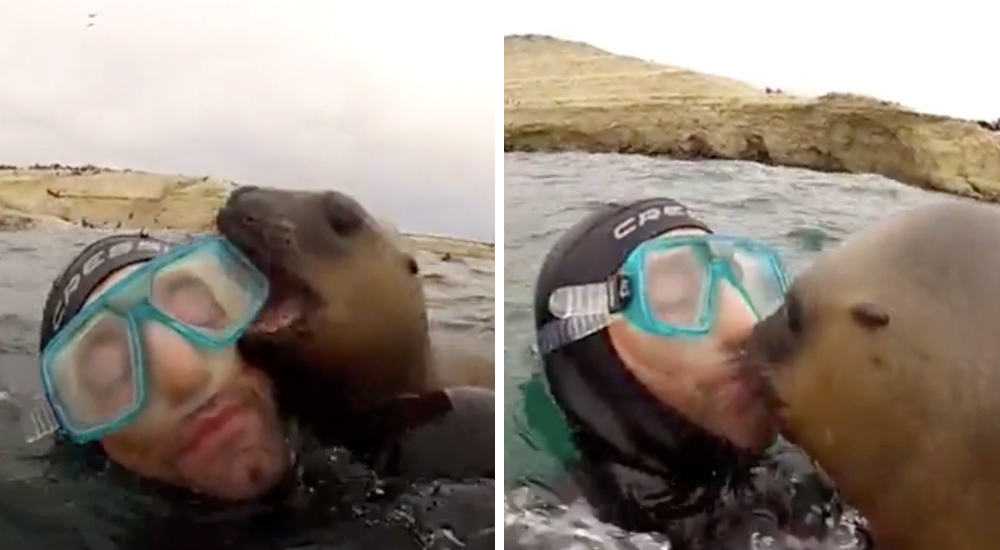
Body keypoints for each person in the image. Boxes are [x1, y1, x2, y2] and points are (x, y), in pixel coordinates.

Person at [20, 231, 494, 549]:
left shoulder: (446, 446)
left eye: (195, 313)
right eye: (109, 374)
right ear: (95, 440)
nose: (182, 372)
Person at [526, 197, 873, 549]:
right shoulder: (544, 529)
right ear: (592, 350)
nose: (748, 324)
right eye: (678, 298)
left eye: (749, 286)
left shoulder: (812, 486)